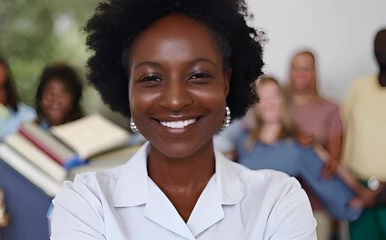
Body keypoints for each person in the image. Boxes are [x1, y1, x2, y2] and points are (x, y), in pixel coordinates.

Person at [50, 0, 318, 239]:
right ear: (128, 88)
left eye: (198, 75)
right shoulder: (86, 203)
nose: (176, 100)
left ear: (226, 83)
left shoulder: (277, 200)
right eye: (151, 78)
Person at [221, 76, 376, 219]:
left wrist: (356, 198)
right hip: (242, 222)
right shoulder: (243, 140)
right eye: (263, 97)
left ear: (283, 100)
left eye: (274, 95)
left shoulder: (297, 146)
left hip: (278, 222)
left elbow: (326, 174)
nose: (269, 102)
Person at [287, 50, 344, 240]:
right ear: (290, 71)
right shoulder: (276, 107)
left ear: (314, 72)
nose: (300, 74)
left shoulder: (330, 108)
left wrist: (314, 149)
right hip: (281, 203)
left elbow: (334, 163)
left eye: (306, 69)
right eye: (296, 68)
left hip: (318, 205)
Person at [342, 28, 386, 240]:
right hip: (359, 190)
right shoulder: (359, 86)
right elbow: (344, 128)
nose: (382, 51)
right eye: (378, 47)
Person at [35, 63, 84, 129]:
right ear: (40, 97)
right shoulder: (30, 130)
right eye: (50, 93)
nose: (55, 100)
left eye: (63, 94)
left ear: (74, 100)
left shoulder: (84, 133)